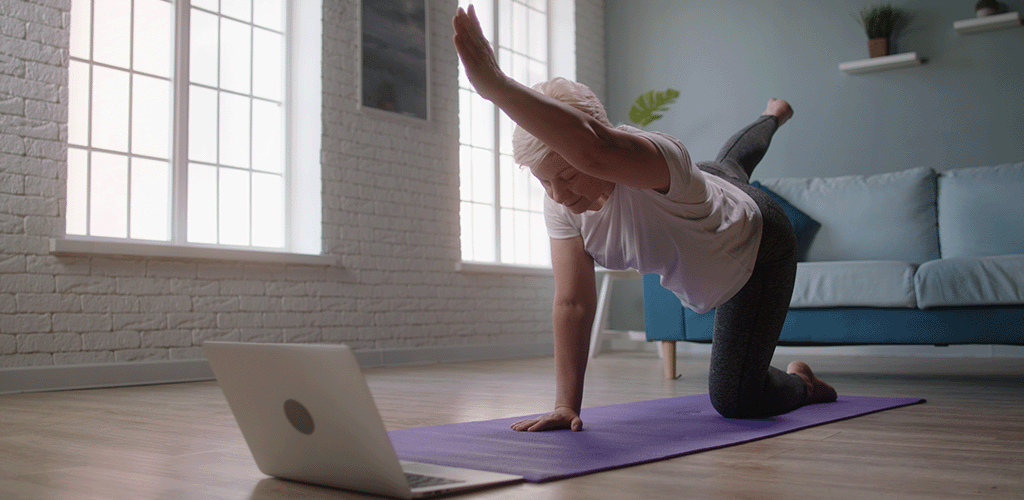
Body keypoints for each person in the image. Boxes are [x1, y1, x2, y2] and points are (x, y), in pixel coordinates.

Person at [452, 5, 837, 432]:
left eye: (565, 176)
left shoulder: (654, 154)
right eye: (545, 183)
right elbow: (573, 303)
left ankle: (804, 383)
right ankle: (772, 114)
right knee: (729, 164)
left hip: (757, 242)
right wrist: (566, 405)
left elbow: (594, 148)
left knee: (736, 400)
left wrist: (499, 88)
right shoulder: (565, 207)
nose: (558, 195)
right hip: (700, 194)